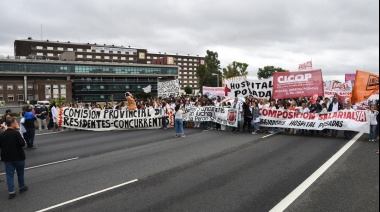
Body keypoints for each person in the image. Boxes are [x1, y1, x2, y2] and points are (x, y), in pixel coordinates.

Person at [0, 116, 28, 199]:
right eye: (16, 122)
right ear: (12, 124)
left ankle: (11, 192)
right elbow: (23, 143)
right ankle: (22, 186)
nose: (17, 124)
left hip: (7, 158)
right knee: (20, 173)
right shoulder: (16, 133)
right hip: (18, 156)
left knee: (9, 175)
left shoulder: (2, 134)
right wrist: (19, 130)